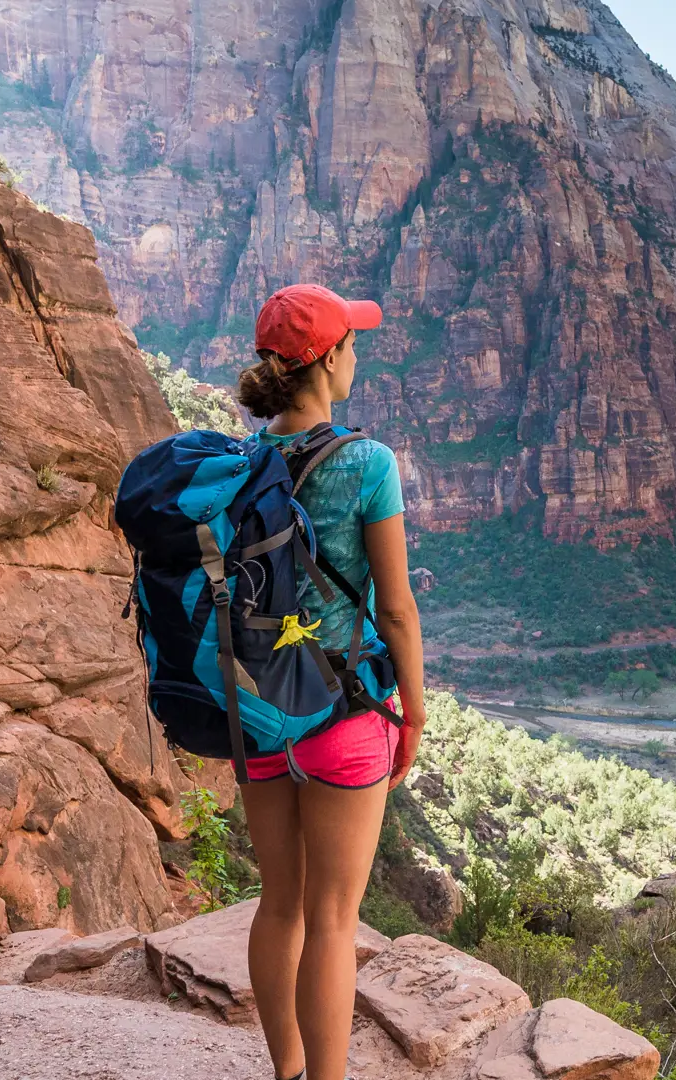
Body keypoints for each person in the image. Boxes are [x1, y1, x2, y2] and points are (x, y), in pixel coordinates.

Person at [232, 284, 428, 1080]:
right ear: (327, 359)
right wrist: (412, 713)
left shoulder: (238, 464)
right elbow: (399, 609)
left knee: (279, 903)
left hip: (257, 710)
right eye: (351, 342)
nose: (358, 354)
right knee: (334, 919)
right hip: (343, 715)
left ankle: (285, 1071)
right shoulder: (368, 463)